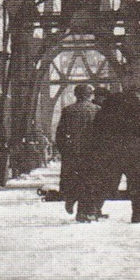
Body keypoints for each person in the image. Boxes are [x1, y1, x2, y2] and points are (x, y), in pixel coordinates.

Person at [84, 76, 140, 223]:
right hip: (138, 151)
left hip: (111, 150)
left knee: (103, 182)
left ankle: (91, 211)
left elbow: (97, 128)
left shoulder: (110, 105)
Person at [55, 84, 99, 215]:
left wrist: (64, 150)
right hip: (91, 152)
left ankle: (71, 198)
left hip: (73, 151)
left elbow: (60, 134)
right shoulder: (97, 110)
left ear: (76, 95)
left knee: (73, 179)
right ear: (90, 95)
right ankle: (86, 212)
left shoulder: (68, 110)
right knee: (89, 181)